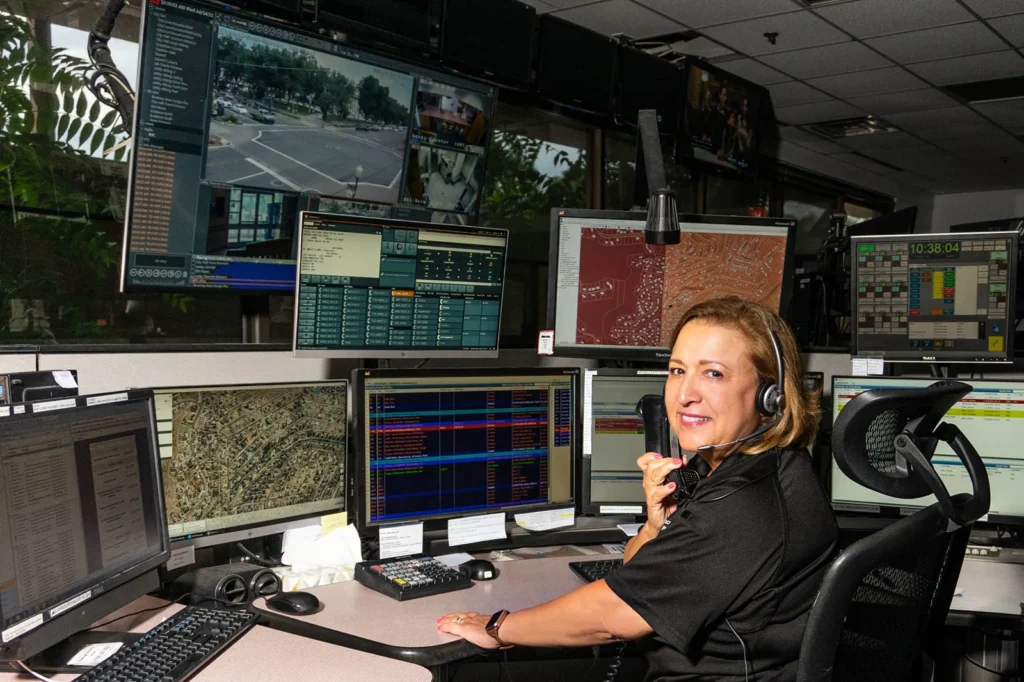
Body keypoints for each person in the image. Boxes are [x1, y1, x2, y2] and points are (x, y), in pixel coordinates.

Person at [437, 295, 838, 681]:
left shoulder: (742, 505)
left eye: (713, 373)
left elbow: (611, 618)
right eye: (678, 371)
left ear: (770, 395)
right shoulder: (764, 468)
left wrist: (496, 626)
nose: (685, 395)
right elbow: (638, 572)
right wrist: (653, 525)